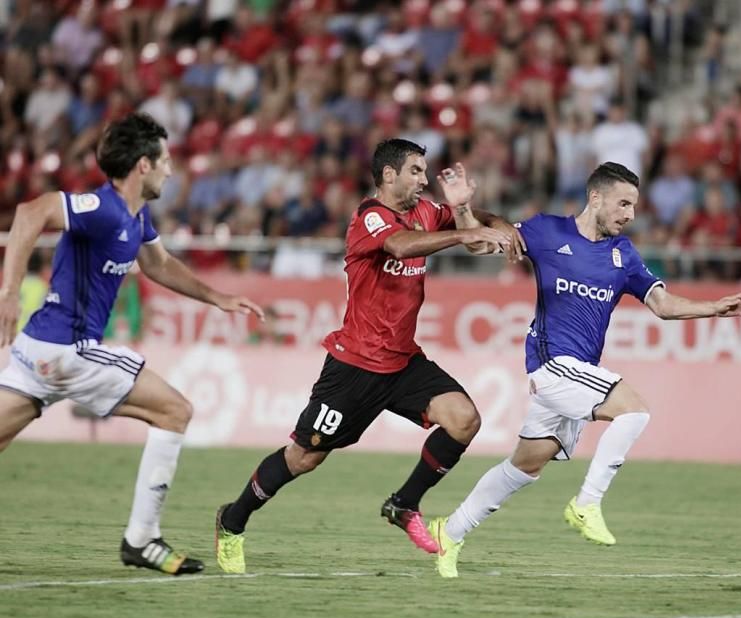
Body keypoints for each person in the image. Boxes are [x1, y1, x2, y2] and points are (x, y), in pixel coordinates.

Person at [427, 162, 741, 577]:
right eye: (623, 203)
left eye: (634, 206)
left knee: (525, 466)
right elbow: (480, 247)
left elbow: (662, 305)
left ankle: (450, 531)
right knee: (634, 410)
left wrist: (712, 308)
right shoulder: (546, 231)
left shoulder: (623, 255)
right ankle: (586, 503)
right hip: (552, 365)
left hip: (577, 372)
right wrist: (463, 209)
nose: (630, 214)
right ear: (595, 198)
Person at [214, 138, 524, 574]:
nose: (423, 179)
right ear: (389, 174)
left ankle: (404, 503)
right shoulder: (369, 218)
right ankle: (232, 520)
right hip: (354, 366)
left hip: (403, 362)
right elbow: (401, 247)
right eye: (415, 170)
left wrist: (474, 214)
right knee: (304, 457)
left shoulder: (426, 213)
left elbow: (478, 232)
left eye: (425, 171)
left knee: (464, 419)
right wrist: (466, 231)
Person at [0, 112, 264, 575]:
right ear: (143, 165)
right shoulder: (102, 209)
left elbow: (160, 265)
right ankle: (142, 539)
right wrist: (8, 292)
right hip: (68, 350)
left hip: (37, 352)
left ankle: (143, 540)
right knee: (175, 410)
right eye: (164, 160)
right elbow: (29, 213)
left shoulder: (136, 218)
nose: (170, 169)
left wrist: (218, 298)